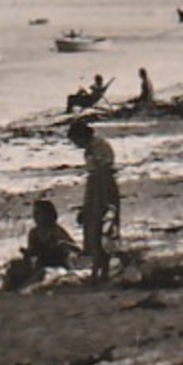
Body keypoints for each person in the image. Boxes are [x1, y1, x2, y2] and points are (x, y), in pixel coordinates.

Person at [68, 118, 120, 282]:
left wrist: (101, 200)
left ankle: (102, 270)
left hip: (102, 187)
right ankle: (98, 270)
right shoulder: (92, 148)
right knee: (93, 230)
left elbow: (103, 170)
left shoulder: (98, 147)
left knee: (102, 230)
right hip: (96, 186)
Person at [3, 199, 81, 291]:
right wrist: (27, 253)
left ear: (48, 215)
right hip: (40, 265)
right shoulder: (34, 233)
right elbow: (32, 255)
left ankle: (24, 289)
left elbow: (77, 249)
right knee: (15, 266)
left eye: (39, 213)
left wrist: (63, 245)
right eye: (34, 214)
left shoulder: (56, 231)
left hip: (58, 266)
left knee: (44, 273)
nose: (35, 217)